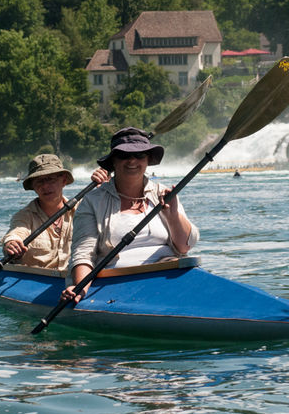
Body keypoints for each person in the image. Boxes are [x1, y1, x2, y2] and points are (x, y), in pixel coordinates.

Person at [62, 127, 198, 303]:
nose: (132, 160)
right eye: (124, 155)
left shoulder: (165, 194)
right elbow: (83, 253)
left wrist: (172, 216)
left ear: (148, 159)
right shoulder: (92, 201)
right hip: (117, 282)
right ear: (113, 161)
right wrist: (80, 289)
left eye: (140, 155)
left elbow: (184, 248)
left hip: (168, 275)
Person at [1, 154, 109, 270]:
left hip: (73, 281)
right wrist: (11, 243)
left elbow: (109, 211)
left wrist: (105, 186)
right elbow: (16, 232)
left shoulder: (83, 209)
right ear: (33, 186)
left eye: (50, 179)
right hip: (35, 283)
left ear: (63, 180)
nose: (45, 186)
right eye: (39, 181)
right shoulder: (24, 216)